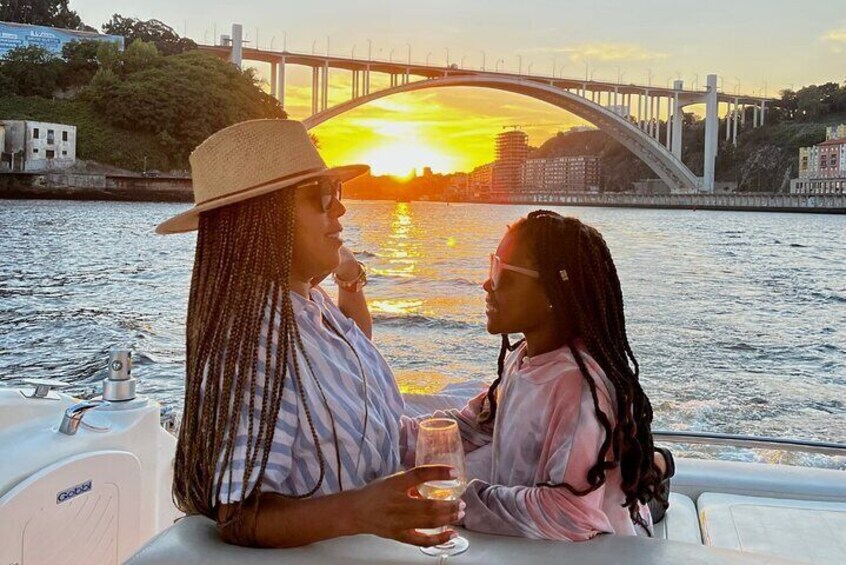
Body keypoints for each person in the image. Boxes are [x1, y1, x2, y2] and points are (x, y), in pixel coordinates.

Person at [158, 119, 462, 548]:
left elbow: (353, 352)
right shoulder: (257, 345)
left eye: (336, 193)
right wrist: (360, 510)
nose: (340, 210)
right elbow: (240, 516)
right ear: (265, 219)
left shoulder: (308, 304)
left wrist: (348, 275)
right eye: (322, 197)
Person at [403, 210, 670, 540]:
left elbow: (569, 513)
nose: (487, 283)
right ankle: (657, 464)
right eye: (492, 265)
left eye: (503, 273)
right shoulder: (524, 359)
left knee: (643, 491)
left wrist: (461, 503)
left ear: (552, 292)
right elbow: (473, 426)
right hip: (540, 547)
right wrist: (384, 436)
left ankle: (658, 465)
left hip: (600, 552)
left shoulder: (576, 387)